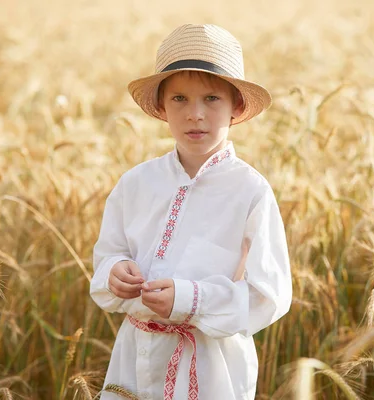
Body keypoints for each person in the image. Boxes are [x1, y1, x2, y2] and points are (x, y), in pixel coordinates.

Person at [89, 23, 292, 400]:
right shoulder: (135, 183)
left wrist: (189, 299)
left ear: (237, 106)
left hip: (210, 365)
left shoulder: (250, 191)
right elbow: (108, 255)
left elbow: (269, 295)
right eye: (179, 99)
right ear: (162, 108)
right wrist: (114, 273)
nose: (194, 114)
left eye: (211, 99)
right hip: (134, 356)